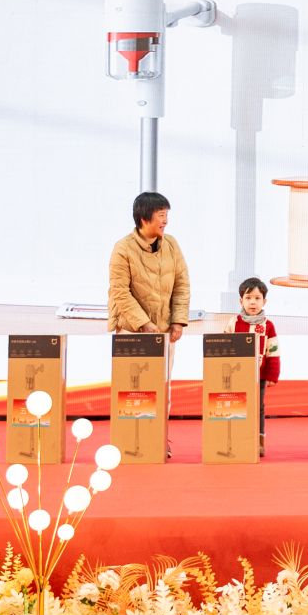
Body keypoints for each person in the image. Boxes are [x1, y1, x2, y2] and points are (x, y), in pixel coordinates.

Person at [108, 191, 192, 459]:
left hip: (164, 331)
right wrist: (143, 323)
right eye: (161, 215)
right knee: (132, 389)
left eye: (167, 215)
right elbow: (120, 292)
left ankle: (157, 439)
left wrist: (178, 320)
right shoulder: (123, 249)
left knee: (161, 388)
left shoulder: (172, 245)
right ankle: (128, 441)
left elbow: (182, 284)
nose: (165, 221)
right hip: (131, 331)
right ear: (144, 218)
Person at [231, 277, 282, 458]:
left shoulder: (268, 326)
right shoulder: (233, 323)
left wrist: (272, 376)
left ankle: (258, 442)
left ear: (264, 301)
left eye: (257, 298)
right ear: (241, 301)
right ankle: (238, 439)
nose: (253, 302)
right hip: (237, 375)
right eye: (248, 298)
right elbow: (224, 346)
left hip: (259, 376)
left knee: (258, 407)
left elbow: (273, 351)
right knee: (239, 406)